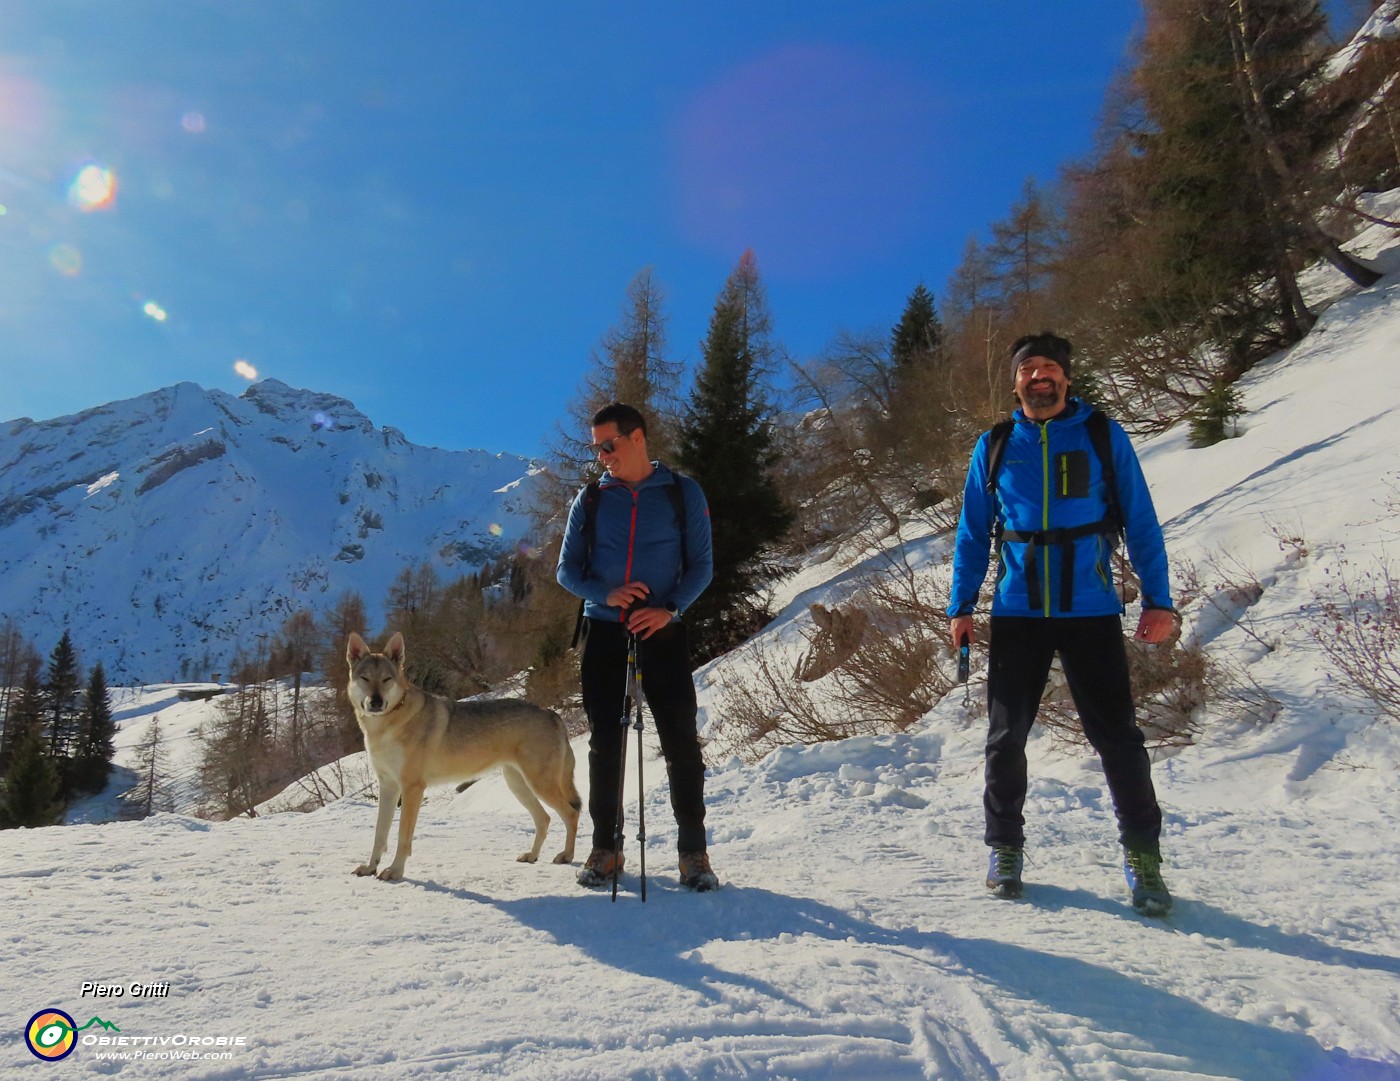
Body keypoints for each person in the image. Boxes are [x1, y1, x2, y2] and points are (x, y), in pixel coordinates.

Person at [946, 332, 1178, 915]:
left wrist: (1159, 599)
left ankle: (1143, 856)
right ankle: (1004, 848)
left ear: (1067, 378)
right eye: (1028, 368)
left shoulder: (1101, 433)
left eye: (1049, 367)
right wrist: (961, 606)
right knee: (1005, 739)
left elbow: (1141, 520)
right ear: (1015, 382)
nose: (1039, 376)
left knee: (1118, 738)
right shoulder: (995, 445)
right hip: (1017, 612)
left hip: (1090, 610)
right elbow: (972, 532)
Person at [557, 403, 718, 891]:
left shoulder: (681, 492)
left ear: (638, 438)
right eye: (596, 448)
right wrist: (605, 595)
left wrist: (669, 608)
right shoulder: (590, 499)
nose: (602, 456)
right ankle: (606, 849)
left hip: (662, 629)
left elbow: (702, 566)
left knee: (680, 741)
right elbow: (567, 571)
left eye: (609, 445)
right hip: (604, 630)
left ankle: (693, 854)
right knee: (605, 743)